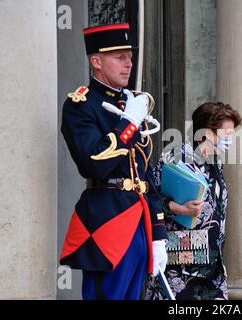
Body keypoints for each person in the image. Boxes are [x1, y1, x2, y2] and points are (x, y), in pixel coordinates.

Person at [59, 23, 168, 300]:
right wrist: (129, 124)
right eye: (119, 57)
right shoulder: (81, 105)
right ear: (96, 61)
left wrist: (157, 233)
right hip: (106, 222)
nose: (129, 64)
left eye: (130, 56)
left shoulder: (129, 103)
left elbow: (143, 174)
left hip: (138, 219)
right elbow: (93, 162)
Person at [145, 102, 242, 300]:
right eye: (226, 134)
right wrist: (177, 208)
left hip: (211, 264)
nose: (230, 140)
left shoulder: (215, 160)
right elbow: (150, 196)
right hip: (182, 265)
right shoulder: (177, 155)